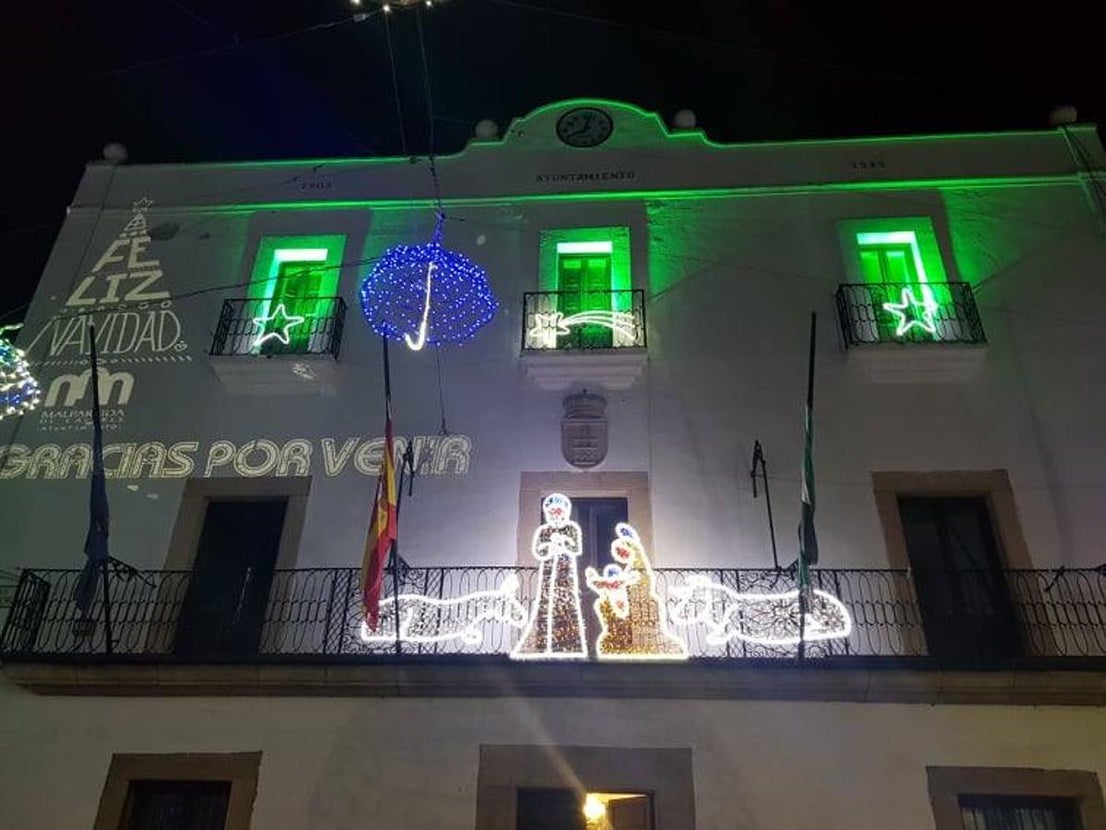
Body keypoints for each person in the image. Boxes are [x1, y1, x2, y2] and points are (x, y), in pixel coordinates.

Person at [511, 493, 588, 659]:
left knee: (566, 608)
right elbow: (539, 551)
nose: (555, 515)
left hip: (566, 573)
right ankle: (543, 645)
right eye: (552, 512)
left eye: (558, 511)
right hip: (547, 574)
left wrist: (564, 542)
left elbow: (576, 549)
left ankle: (569, 646)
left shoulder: (571, 529)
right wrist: (548, 546)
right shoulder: (544, 531)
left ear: (565, 512)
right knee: (546, 608)